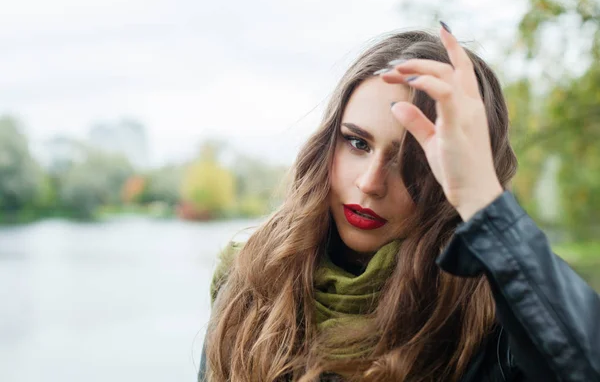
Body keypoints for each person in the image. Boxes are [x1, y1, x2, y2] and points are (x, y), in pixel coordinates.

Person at [198, 23, 600, 382]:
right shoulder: (249, 278)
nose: (371, 183)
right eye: (357, 142)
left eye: (413, 161)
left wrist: (484, 201)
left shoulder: (495, 322)